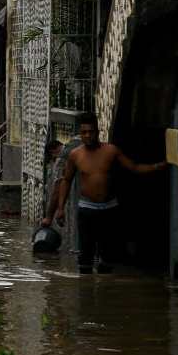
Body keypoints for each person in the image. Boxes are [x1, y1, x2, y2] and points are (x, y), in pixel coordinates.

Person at [44, 112, 166, 273]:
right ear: (80, 134)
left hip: (109, 209)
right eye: (84, 132)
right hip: (87, 209)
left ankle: (104, 290)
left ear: (98, 132)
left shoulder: (111, 151)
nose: (88, 136)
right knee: (85, 260)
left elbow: (133, 167)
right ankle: (86, 294)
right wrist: (60, 209)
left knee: (108, 259)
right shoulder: (75, 155)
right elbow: (66, 180)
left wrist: (158, 166)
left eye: (91, 132)